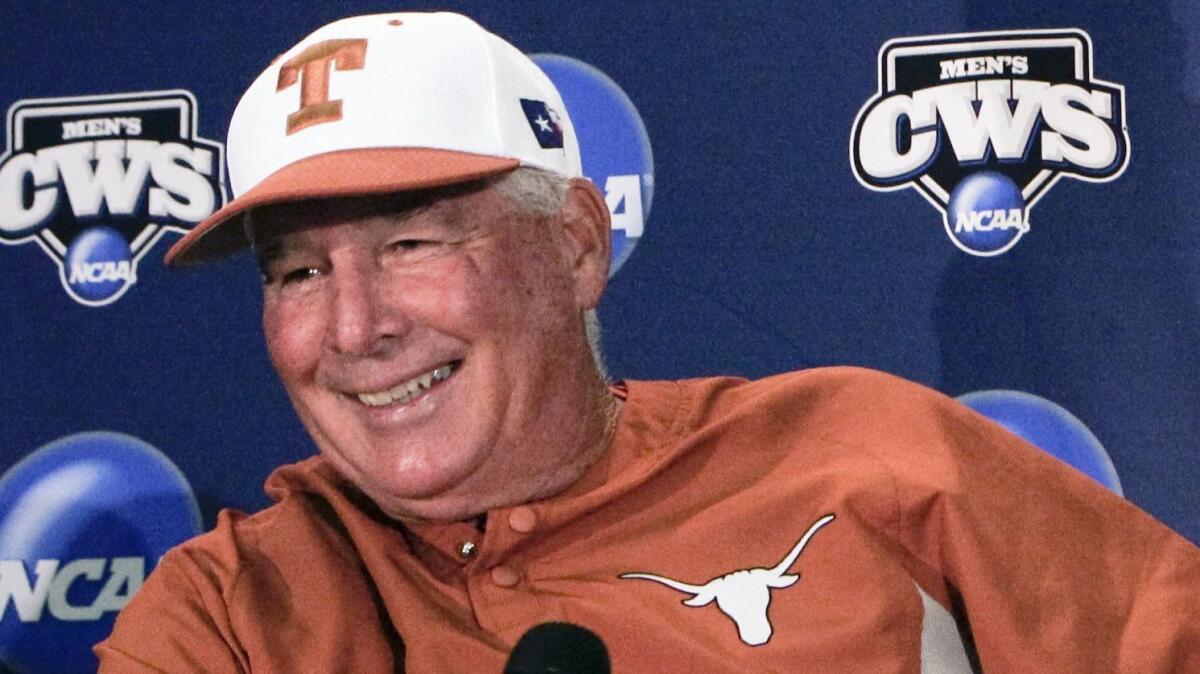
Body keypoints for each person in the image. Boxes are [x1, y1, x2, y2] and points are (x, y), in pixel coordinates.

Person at [96, 11, 1200, 672]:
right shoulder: (231, 612)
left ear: (575, 244)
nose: (353, 326)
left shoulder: (868, 457)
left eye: (411, 242)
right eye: (298, 269)